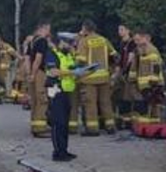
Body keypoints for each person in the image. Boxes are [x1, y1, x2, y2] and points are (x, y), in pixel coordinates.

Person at [72, 20, 117, 135]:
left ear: (85, 29)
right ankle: (110, 126)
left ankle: (92, 129)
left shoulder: (84, 41)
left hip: (89, 78)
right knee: (106, 102)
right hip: (104, 76)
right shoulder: (103, 40)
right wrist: (110, 70)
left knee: (90, 103)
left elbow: (81, 61)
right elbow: (114, 56)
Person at [45, 34, 79, 162]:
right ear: (61, 42)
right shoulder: (52, 54)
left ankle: (64, 150)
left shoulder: (68, 55)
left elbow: (72, 69)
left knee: (65, 123)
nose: (70, 46)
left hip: (67, 91)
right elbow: (53, 72)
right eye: (68, 44)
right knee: (58, 122)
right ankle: (58, 153)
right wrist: (72, 72)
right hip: (56, 91)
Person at [130, 31, 165, 127]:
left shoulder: (152, 50)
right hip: (145, 84)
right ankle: (151, 127)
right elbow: (135, 68)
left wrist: (153, 82)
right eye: (136, 40)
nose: (137, 42)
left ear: (146, 38)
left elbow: (156, 67)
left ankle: (148, 127)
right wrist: (132, 79)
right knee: (150, 105)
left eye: (139, 39)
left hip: (152, 84)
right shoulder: (140, 50)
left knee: (148, 106)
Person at [28, 21, 53, 136]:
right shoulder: (42, 41)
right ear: (43, 28)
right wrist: (34, 73)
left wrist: (30, 74)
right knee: (42, 100)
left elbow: (28, 58)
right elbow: (38, 59)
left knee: (34, 100)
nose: (49, 31)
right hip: (39, 72)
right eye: (48, 29)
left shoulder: (32, 40)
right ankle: (40, 129)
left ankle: (35, 124)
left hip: (33, 72)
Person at [112, 24, 138, 129]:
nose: (119, 31)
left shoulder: (131, 43)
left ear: (128, 30)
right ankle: (122, 120)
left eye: (122, 29)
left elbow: (130, 59)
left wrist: (124, 71)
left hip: (128, 74)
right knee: (121, 97)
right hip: (122, 73)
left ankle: (128, 122)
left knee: (128, 98)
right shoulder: (122, 43)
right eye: (119, 29)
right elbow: (121, 58)